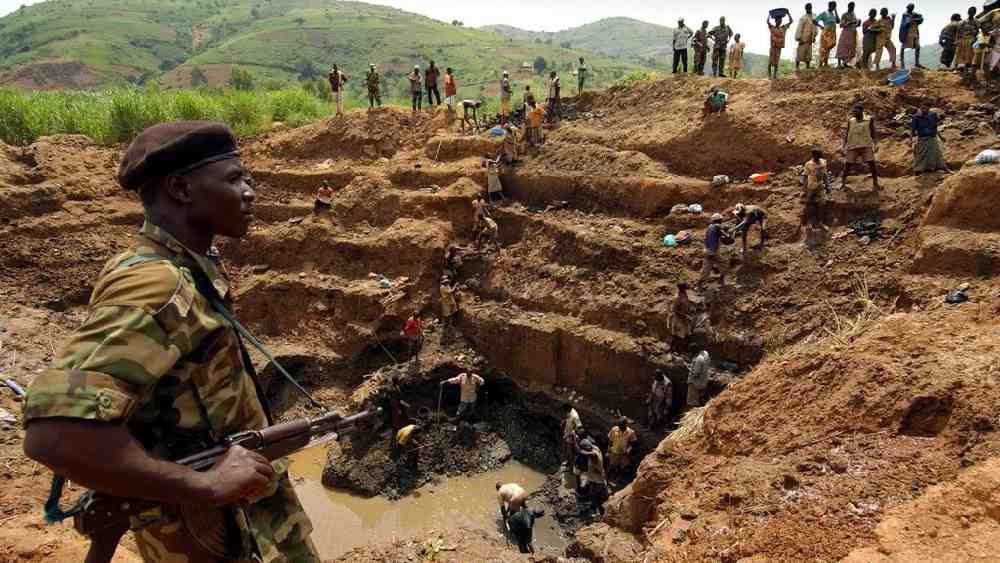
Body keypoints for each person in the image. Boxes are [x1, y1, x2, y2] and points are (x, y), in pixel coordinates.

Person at [21, 121, 319, 561]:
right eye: (235, 179)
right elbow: (54, 434)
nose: (250, 191)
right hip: (208, 534)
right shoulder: (156, 284)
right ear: (180, 188)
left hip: (246, 519)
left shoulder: (185, 264)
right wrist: (204, 485)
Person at [841, 103, 880, 191]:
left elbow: (873, 132)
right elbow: (847, 133)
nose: (854, 113)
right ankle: (843, 183)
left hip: (866, 145)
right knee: (847, 165)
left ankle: (875, 183)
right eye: (853, 111)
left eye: (856, 111)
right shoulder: (851, 121)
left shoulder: (869, 119)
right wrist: (843, 145)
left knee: (872, 164)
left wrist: (876, 143)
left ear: (861, 111)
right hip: (853, 145)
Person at [797, 149, 829, 239]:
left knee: (822, 204)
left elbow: (825, 175)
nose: (817, 157)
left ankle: (821, 223)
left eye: (819, 155)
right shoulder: (808, 164)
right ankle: (807, 223)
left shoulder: (823, 162)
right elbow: (805, 177)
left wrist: (828, 186)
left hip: (820, 187)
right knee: (808, 204)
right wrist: (804, 190)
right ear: (813, 155)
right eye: (816, 155)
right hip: (811, 187)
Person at [911, 105, 949, 175]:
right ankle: (918, 170)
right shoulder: (916, 117)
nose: (924, 110)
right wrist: (912, 140)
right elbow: (913, 130)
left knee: (935, 154)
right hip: (922, 139)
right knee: (920, 155)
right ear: (920, 109)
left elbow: (935, 127)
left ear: (929, 109)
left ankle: (932, 169)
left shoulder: (933, 115)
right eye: (922, 108)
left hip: (932, 138)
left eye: (925, 108)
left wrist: (940, 137)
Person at [576, 439, 609, 515]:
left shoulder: (594, 455)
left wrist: (580, 451)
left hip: (596, 480)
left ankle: (595, 509)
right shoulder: (595, 447)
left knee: (593, 494)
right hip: (599, 477)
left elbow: (590, 455)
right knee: (603, 493)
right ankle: (605, 504)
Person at [697, 213, 729, 288]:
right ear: (718, 220)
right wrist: (729, 233)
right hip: (713, 251)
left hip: (706, 250)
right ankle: (721, 279)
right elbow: (726, 236)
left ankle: (699, 285)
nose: (722, 221)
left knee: (706, 268)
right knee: (725, 263)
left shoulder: (710, 227)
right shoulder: (717, 226)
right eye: (721, 219)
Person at [606, 418, 638, 482]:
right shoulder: (614, 429)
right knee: (611, 465)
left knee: (622, 467)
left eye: (622, 426)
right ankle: (607, 478)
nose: (620, 427)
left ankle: (618, 478)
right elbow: (610, 441)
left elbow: (634, 444)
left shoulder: (631, 432)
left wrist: (628, 450)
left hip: (624, 454)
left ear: (626, 425)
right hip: (614, 452)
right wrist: (608, 450)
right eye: (619, 426)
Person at [899, 4, 925, 69]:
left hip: (915, 33)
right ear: (907, 7)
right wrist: (915, 19)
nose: (911, 9)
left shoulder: (913, 13)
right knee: (903, 47)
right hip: (907, 33)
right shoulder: (905, 14)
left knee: (917, 47)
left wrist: (916, 18)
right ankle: (902, 64)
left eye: (912, 8)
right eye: (910, 8)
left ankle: (917, 63)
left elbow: (921, 18)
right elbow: (908, 21)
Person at [768, 12, 793, 78]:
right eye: (778, 20)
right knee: (770, 61)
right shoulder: (772, 28)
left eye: (780, 20)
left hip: (778, 47)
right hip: (773, 47)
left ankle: (774, 75)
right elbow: (767, 21)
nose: (779, 21)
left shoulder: (783, 28)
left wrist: (788, 13)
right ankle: (769, 75)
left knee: (776, 61)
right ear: (775, 21)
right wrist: (769, 14)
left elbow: (791, 21)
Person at [817, 2, 841, 68]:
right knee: (823, 47)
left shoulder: (833, 14)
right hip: (826, 32)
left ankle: (826, 63)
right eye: (833, 6)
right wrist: (821, 26)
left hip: (832, 32)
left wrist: (836, 11)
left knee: (829, 47)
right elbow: (815, 20)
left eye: (835, 6)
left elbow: (838, 21)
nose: (833, 7)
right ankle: (820, 64)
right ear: (829, 6)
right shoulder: (824, 13)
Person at [837, 2, 861, 68]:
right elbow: (841, 25)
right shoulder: (844, 15)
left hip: (852, 33)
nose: (852, 8)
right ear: (848, 6)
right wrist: (850, 22)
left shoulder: (854, 15)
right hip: (846, 32)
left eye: (853, 6)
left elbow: (855, 25)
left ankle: (845, 63)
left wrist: (858, 24)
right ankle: (839, 64)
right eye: (851, 6)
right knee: (841, 47)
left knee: (852, 49)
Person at [796, 3, 819, 70]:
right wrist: (799, 38)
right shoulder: (803, 18)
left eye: (810, 7)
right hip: (803, 37)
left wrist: (814, 36)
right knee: (800, 52)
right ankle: (797, 67)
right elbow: (799, 28)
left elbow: (815, 27)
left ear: (811, 7)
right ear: (805, 9)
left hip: (810, 37)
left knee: (809, 52)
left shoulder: (814, 16)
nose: (809, 9)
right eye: (807, 8)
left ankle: (808, 66)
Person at [956, 8, 979, 73]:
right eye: (970, 11)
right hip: (962, 39)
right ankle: (960, 68)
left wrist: (975, 39)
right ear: (968, 12)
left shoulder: (976, 21)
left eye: (973, 11)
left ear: (975, 13)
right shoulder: (963, 22)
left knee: (970, 54)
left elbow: (977, 31)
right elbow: (959, 31)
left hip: (971, 39)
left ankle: (969, 68)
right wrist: (958, 40)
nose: (971, 13)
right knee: (961, 53)